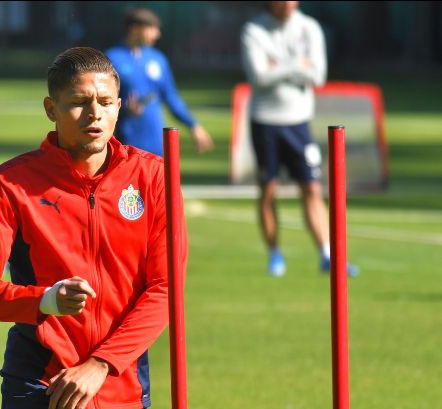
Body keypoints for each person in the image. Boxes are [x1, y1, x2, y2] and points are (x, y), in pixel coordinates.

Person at [0, 47, 186, 409]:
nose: (93, 114)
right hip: (40, 376)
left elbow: (166, 290)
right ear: (51, 108)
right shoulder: (11, 183)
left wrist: (100, 366)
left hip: (119, 383)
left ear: (120, 106)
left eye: (104, 102)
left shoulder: (154, 177)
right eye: (79, 102)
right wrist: (43, 300)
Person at [240, 1, 358, 277]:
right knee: (268, 190)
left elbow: (318, 74)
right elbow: (258, 76)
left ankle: (327, 254)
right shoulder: (253, 30)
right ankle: (274, 254)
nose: (287, 4)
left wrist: (277, 66)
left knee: (312, 188)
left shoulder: (309, 28)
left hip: (299, 122)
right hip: (265, 121)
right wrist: (296, 65)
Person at [106, 7, 214, 157]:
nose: (157, 34)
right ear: (134, 29)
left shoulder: (158, 59)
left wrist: (193, 125)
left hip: (157, 144)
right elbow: (102, 102)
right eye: (151, 28)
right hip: (125, 144)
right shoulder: (112, 58)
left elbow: (171, 97)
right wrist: (123, 109)